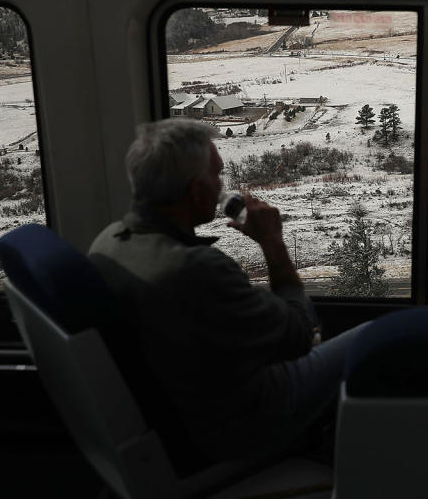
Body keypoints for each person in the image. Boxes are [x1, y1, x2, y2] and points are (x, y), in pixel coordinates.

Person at [88, 118, 361, 464]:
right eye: (216, 176)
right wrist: (273, 244)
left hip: (184, 413)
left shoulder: (108, 241)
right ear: (196, 191)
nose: (222, 186)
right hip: (239, 427)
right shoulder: (196, 270)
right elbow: (301, 337)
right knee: (373, 340)